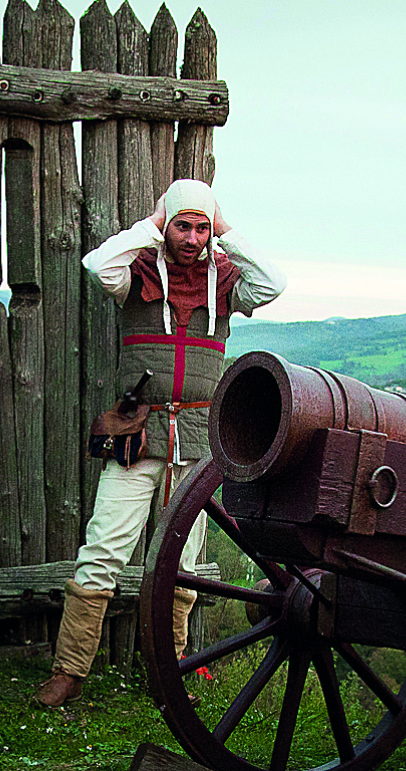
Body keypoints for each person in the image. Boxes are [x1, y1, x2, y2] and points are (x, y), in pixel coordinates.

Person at [34, 179, 286, 707]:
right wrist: (149, 227)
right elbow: (97, 265)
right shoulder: (139, 274)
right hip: (138, 433)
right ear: (165, 225)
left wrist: (225, 231)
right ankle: (69, 672)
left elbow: (274, 282)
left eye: (201, 227)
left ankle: (167, 674)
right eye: (182, 224)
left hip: (196, 439)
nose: (192, 237)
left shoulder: (224, 280)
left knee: (183, 563)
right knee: (103, 549)